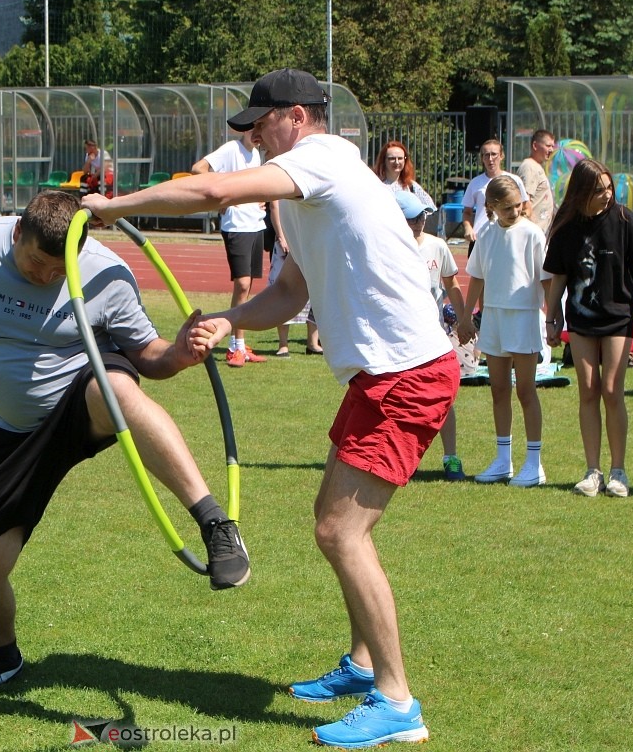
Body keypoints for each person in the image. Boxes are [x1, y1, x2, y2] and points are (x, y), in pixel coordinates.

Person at [83, 68, 458, 749]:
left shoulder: (320, 159)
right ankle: (364, 665)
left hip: (407, 373)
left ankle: (398, 703)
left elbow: (213, 189)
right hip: (381, 374)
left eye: (260, 121)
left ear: (296, 115)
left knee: (340, 533)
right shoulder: (309, 189)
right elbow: (288, 292)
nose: (252, 134)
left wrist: (116, 205)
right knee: (334, 524)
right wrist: (229, 321)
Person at [0, 189, 250, 694]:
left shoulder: (105, 272)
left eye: (59, 270)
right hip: (15, 432)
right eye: (36, 263)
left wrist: (181, 353)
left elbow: (149, 357)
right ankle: (3, 657)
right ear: (16, 233)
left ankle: (214, 524)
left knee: (116, 387)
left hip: (81, 399)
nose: (46, 276)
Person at [544, 158, 633, 498]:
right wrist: (552, 318)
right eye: (598, 190)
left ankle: (619, 471)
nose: (606, 195)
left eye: (608, 188)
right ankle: (593, 471)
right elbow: (558, 279)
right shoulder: (567, 227)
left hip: (618, 317)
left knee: (611, 389)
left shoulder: (622, 219)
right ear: (581, 193)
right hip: (581, 318)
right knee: (587, 390)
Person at [457, 176, 546, 487]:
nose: (515, 211)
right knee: (498, 390)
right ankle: (503, 460)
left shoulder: (533, 234)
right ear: (492, 206)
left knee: (525, 390)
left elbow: (545, 278)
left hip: (523, 317)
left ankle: (534, 463)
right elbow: (477, 278)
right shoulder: (485, 234)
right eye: (507, 207)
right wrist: (467, 317)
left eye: (518, 205)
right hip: (494, 317)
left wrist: (552, 318)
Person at [398, 190, 467, 480]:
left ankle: (451, 457)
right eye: (412, 217)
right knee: (405, 400)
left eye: (422, 216)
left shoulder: (437, 246)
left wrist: (465, 320)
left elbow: (451, 285)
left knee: (444, 399)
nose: (418, 222)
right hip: (400, 339)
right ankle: (404, 459)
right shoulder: (391, 247)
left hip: (434, 336)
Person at [191, 130, 269, 367]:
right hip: (236, 226)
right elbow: (198, 168)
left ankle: (240, 345)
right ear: (244, 130)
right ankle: (235, 348)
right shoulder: (230, 149)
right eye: (253, 129)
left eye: (260, 128)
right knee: (242, 284)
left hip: (255, 224)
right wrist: (219, 198)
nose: (257, 134)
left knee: (248, 288)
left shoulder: (256, 154)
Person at [266, 201, 322, 357]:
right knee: (283, 290)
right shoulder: (284, 182)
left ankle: (312, 342)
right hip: (287, 242)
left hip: (310, 241)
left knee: (315, 292)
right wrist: (281, 236)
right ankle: (283, 345)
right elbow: (274, 206)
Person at [460, 139, 530, 252]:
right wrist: (468, 228)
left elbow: (527, 207)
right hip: (480, 238)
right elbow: (467, 212)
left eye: (494, 154)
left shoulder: (514, 180)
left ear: (501, 156)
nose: (490, 159)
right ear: (482, 158)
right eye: (486, 155)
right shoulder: (475, 183)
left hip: (507, 236)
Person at [372, 141, 437, 211]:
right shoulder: (375, 185)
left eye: (400, 158)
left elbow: (431, 209)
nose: (396, 162)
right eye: (392, 158)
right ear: (383, 160)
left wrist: (418, 219)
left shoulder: (412, 186)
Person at [517, 129, 557, 234]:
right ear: (535, 146)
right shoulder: (529, 167)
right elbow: (525, 201)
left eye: (553, 146)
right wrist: (532, 228)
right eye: (548, 146)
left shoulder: (537, 166)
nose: (552, 149)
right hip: (532, 232)